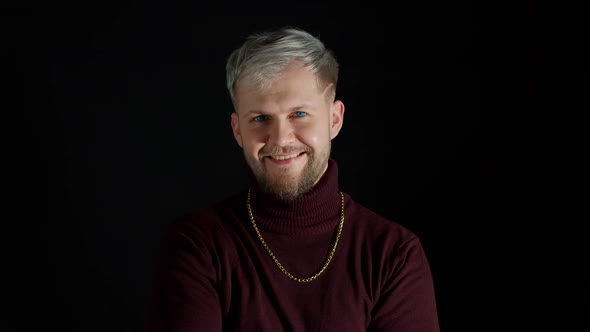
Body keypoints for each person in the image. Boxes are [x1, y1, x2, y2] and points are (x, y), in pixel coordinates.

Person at [145, 26, 440, 332]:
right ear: (237, 131)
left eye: (299, 114)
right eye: (260, 118)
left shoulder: (393, 254)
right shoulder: (198, 245)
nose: (281, 139)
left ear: (335, 120)